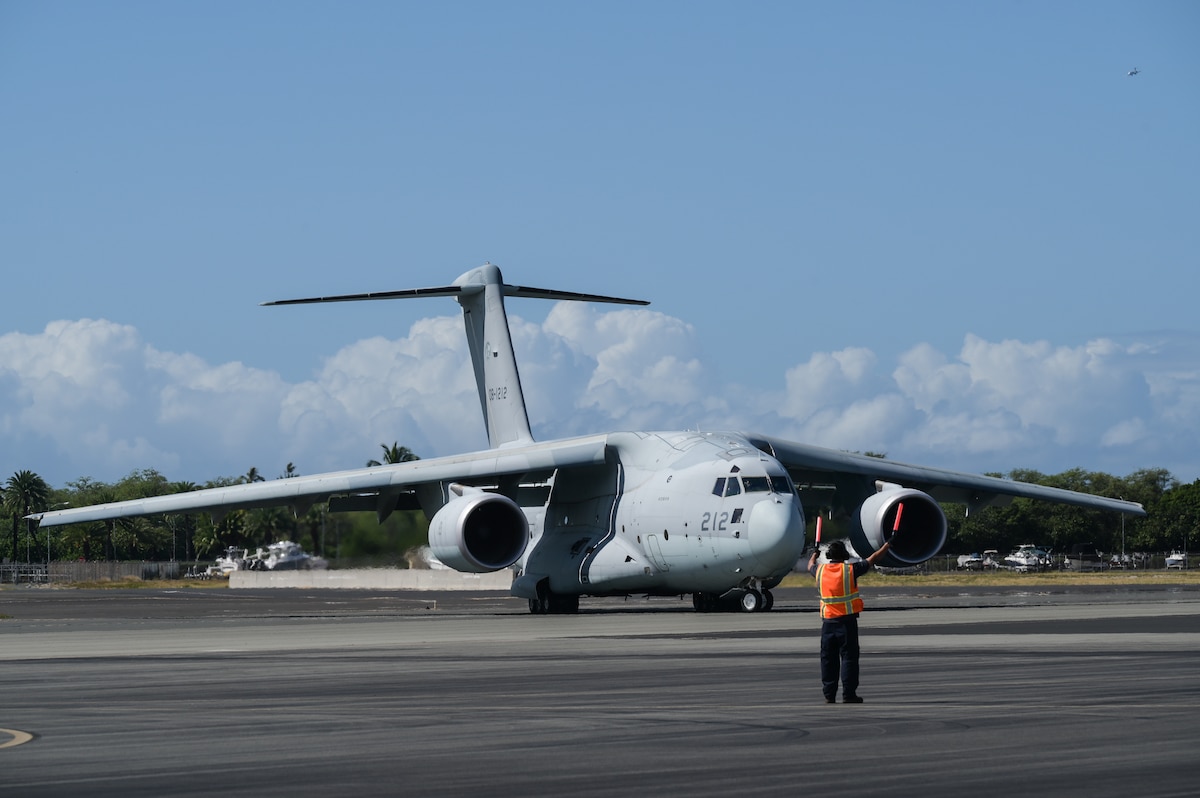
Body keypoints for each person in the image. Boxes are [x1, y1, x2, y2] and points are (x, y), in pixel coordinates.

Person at [807, 537, 892, 704]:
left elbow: (810, 566)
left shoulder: (820, 571)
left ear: (829, 555)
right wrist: (887, 545)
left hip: (828, 624)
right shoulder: (850, 570)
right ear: (844, 555)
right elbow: (873, 558)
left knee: (828, 660)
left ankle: (829, 695)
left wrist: (814, 555)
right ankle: (848, 694)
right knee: (849, 659)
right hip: (846, 623)